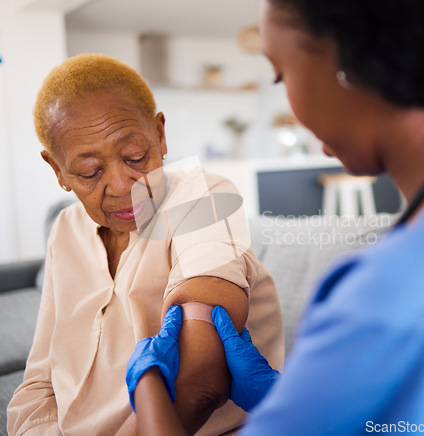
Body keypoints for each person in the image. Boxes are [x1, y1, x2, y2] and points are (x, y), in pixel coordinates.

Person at [124, 0, 424, 434]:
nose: (293, 110)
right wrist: (287, 398)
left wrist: (149, 385)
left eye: (282, 75)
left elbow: (202, 384)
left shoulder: (386, 303)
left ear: (352, 60)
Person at [6, 53, 284, 436]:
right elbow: (39, 379)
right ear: (58, 171)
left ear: (160, 135)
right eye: (91, 171)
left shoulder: (200, 197)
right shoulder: (66, 230)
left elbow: (202, 381)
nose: (124, 186)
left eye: (136, 157)